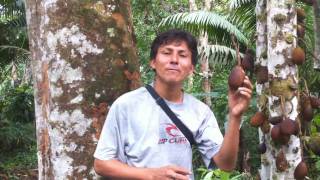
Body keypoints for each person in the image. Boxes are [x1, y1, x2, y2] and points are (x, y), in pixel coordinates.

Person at [93, 29, 253, 180]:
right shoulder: (126, 105)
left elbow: (225, 165)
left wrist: (235, 116)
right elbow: (101, 164)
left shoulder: (200, 111)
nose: (174, 60)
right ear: (153, 62)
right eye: (166, 53)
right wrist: (151, 175)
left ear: (191, 68)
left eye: (182, 55)